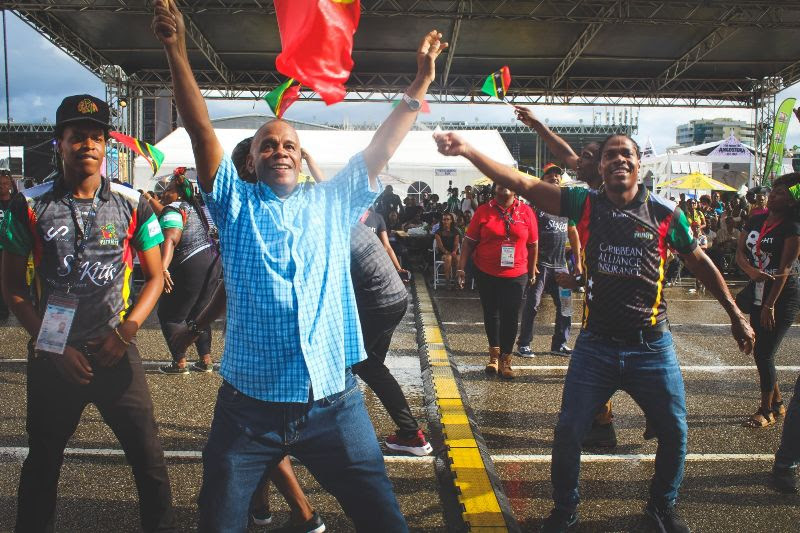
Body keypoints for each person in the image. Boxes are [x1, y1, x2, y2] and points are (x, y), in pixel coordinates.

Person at [153, 2, 447, 530]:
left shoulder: (331, 202)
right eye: (269, 145)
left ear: (300, 155)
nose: (281, 150)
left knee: (384, 519)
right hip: (249, 410)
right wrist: (176, 49)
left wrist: (420, 82)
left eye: (289, 144)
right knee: (218, 520)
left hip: (333, 404)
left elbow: (381, 147)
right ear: (252, 160)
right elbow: (200, 132)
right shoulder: (235, 205)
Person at [434, 130, 754, 533]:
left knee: (674, 431)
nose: (619, 160)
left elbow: (700, 262)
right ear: (600, 167)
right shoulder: (584, 204)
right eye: (611, 155)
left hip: (652, 346)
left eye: (627, 154)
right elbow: (523, 183)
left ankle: (662, 506)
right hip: (596, 346)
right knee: (569, 431)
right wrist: (466, 150)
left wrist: (735, 313)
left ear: (639, 165)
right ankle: (565, 508)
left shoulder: (665, 213)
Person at [0, 94, 176, 532]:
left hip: (115, 350)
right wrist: (52, 347)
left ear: (106, 144)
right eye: (77, 137)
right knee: (43, 462)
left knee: (150, 460)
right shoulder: (27, 205)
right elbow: (12, 287)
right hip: (53, 356)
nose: (88, 145)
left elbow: (155, 277)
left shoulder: (132, 202)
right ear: (59, 142)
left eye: (96, 137)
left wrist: (127, 334)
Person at [512, 106, 616, 447]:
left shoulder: (620, 200)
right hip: (595, 295)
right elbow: (563, 152)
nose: (575, 162)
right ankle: (599, 424)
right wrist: (538, 125)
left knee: (610, 368)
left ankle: (640, 418)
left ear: (602, 164)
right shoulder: (584, 196)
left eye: (585, 158)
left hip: (625, 304)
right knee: (595, 368)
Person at [455, 183, 538, 380]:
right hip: (486, 271)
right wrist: (460, 267)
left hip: (517, 273)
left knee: (510, 315)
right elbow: (468, 242)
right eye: (499, 185)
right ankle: (493, 356)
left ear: (516, 189)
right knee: (491, 313)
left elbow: (533, 244)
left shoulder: (526, 211)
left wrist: (532, 269)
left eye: (507, 184)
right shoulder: (484, 211)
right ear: (494, 190)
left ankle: (506, 359)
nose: (504, 188)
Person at [736, 174, 800, 428]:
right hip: (757, 290)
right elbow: (740, 252)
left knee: (764, 352)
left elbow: (785, 268)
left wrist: (769, 305)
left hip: (782, 296)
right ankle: (778, 403)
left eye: (781, 193)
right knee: (760, 350)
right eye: (774, 191)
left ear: (791, 202)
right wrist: (750, 272)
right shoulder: (756, 218)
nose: (773, 195)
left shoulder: (792, 227)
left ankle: (766, 411)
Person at [156, 167, 222, 374]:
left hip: (189, 263)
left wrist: (163, 268)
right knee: (198, 312)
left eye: (167, 188)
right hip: (211, 261)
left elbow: (171, 238)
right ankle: (206, 360)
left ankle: (180, 362)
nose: (163, 193)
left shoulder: (174, 208)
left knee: (170, 314)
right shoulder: (195, 208)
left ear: (176, 190)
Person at [517, 163, 582, 358]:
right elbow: (526, 236)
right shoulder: (534, 206)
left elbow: (573, 233)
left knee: (566, 305)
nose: (554, 178)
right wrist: (531, 264)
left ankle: (559, 344)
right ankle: (524, 344)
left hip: (561, 266)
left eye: (557, 176)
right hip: (541, 265)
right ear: (542, 181)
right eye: (550, 176)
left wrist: (578, 262)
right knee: (533, 304)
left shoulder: (565, 206)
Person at [0, 169, 17, 320]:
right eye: (0, 184)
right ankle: (3, 310)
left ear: (11, 184)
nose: (2, 186)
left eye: (5, 183)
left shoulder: (18, 202)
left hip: (16, 248)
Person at [434, 212, 460, 286]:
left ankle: (456, 279)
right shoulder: (438, 232)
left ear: (451, 220)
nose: (446, 221)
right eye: (444, 219)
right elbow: (440, 246)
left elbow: (456, 244)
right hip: (443, 253)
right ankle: (447, 280)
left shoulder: (455, 231)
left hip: (454, 252)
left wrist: (454, 251)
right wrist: (447, 252)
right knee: (448, 258)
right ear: (442, 221)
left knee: (458, 258)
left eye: (447, 219)